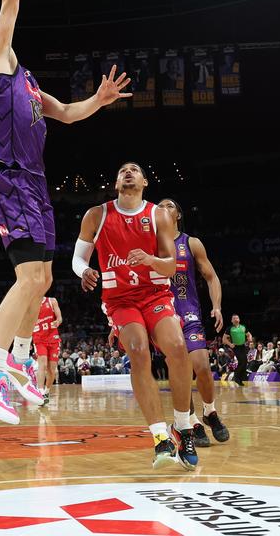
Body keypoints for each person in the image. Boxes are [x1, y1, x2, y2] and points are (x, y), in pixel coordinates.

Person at [0, 0, 131, 424]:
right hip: (9, 181)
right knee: (30, 280)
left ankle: (18, 363)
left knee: (43, 279)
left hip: (34, 184)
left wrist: (98, 103)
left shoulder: (26, 82)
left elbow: (68, 114)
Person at [73, 162, 196, 470]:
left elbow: (171, 267)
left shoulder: (159, 215)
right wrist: (84, 270)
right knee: (139, 351)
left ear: (144, 182)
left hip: (155, 293)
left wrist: (150, 259)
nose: (128, 172)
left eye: (134, 169)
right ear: (116, 183)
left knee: (179, 350)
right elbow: (78, 257)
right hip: (120, 299)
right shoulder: (96, 215)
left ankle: (182, 428)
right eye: (122, 170)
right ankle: (159, 437)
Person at [157, 199, 230, 446]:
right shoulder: (150, 244)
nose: (163, 208)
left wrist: (217, 306)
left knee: (202, 365)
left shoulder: (191, 243)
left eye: (169, 205)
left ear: (178, 214)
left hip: (189, 312)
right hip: (162, 316)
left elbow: (211, 277)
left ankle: (210, 412)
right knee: (180, 370)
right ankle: (191, 422)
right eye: (160, 206)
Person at [32, 296, 62, 405]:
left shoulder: (52, 301)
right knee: (42, 365)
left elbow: (60, 318)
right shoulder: (31, 303)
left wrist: (57, 322)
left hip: (53, 338)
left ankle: (46, 391)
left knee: (52, 369)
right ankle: (39, 392)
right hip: (39, 338)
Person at [223, 314, 249, 386]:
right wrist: (230, 344)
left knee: (245, 362)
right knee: (241, 361)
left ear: (239, 319)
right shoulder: (229, 328)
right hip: (236, 347)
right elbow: (224, 339)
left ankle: (239, 378)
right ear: (232, 321)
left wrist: (249, 339)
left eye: (237, 318)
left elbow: (249, 334)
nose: (235, 319)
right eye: (234, 318)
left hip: (243, 346)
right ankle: (237, 377)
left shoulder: (243, 327)